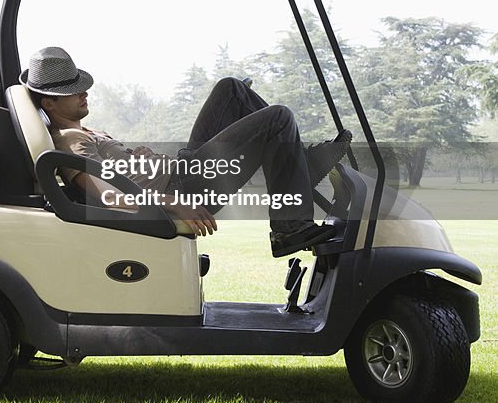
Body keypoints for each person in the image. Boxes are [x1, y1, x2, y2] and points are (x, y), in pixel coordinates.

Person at [20, 46, 352, 257]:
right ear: (49, 102)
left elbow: (115, 171)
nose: (84, 92)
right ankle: (289, 227)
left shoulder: (89, 131)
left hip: (183, 171)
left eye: (81, 85)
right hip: (184, 189)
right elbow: (107, 196)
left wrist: (133, 155)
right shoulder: (68, 140)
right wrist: (174, 202)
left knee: (231, 90)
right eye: (73, 91)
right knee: (278, 118)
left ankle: (301, 169)